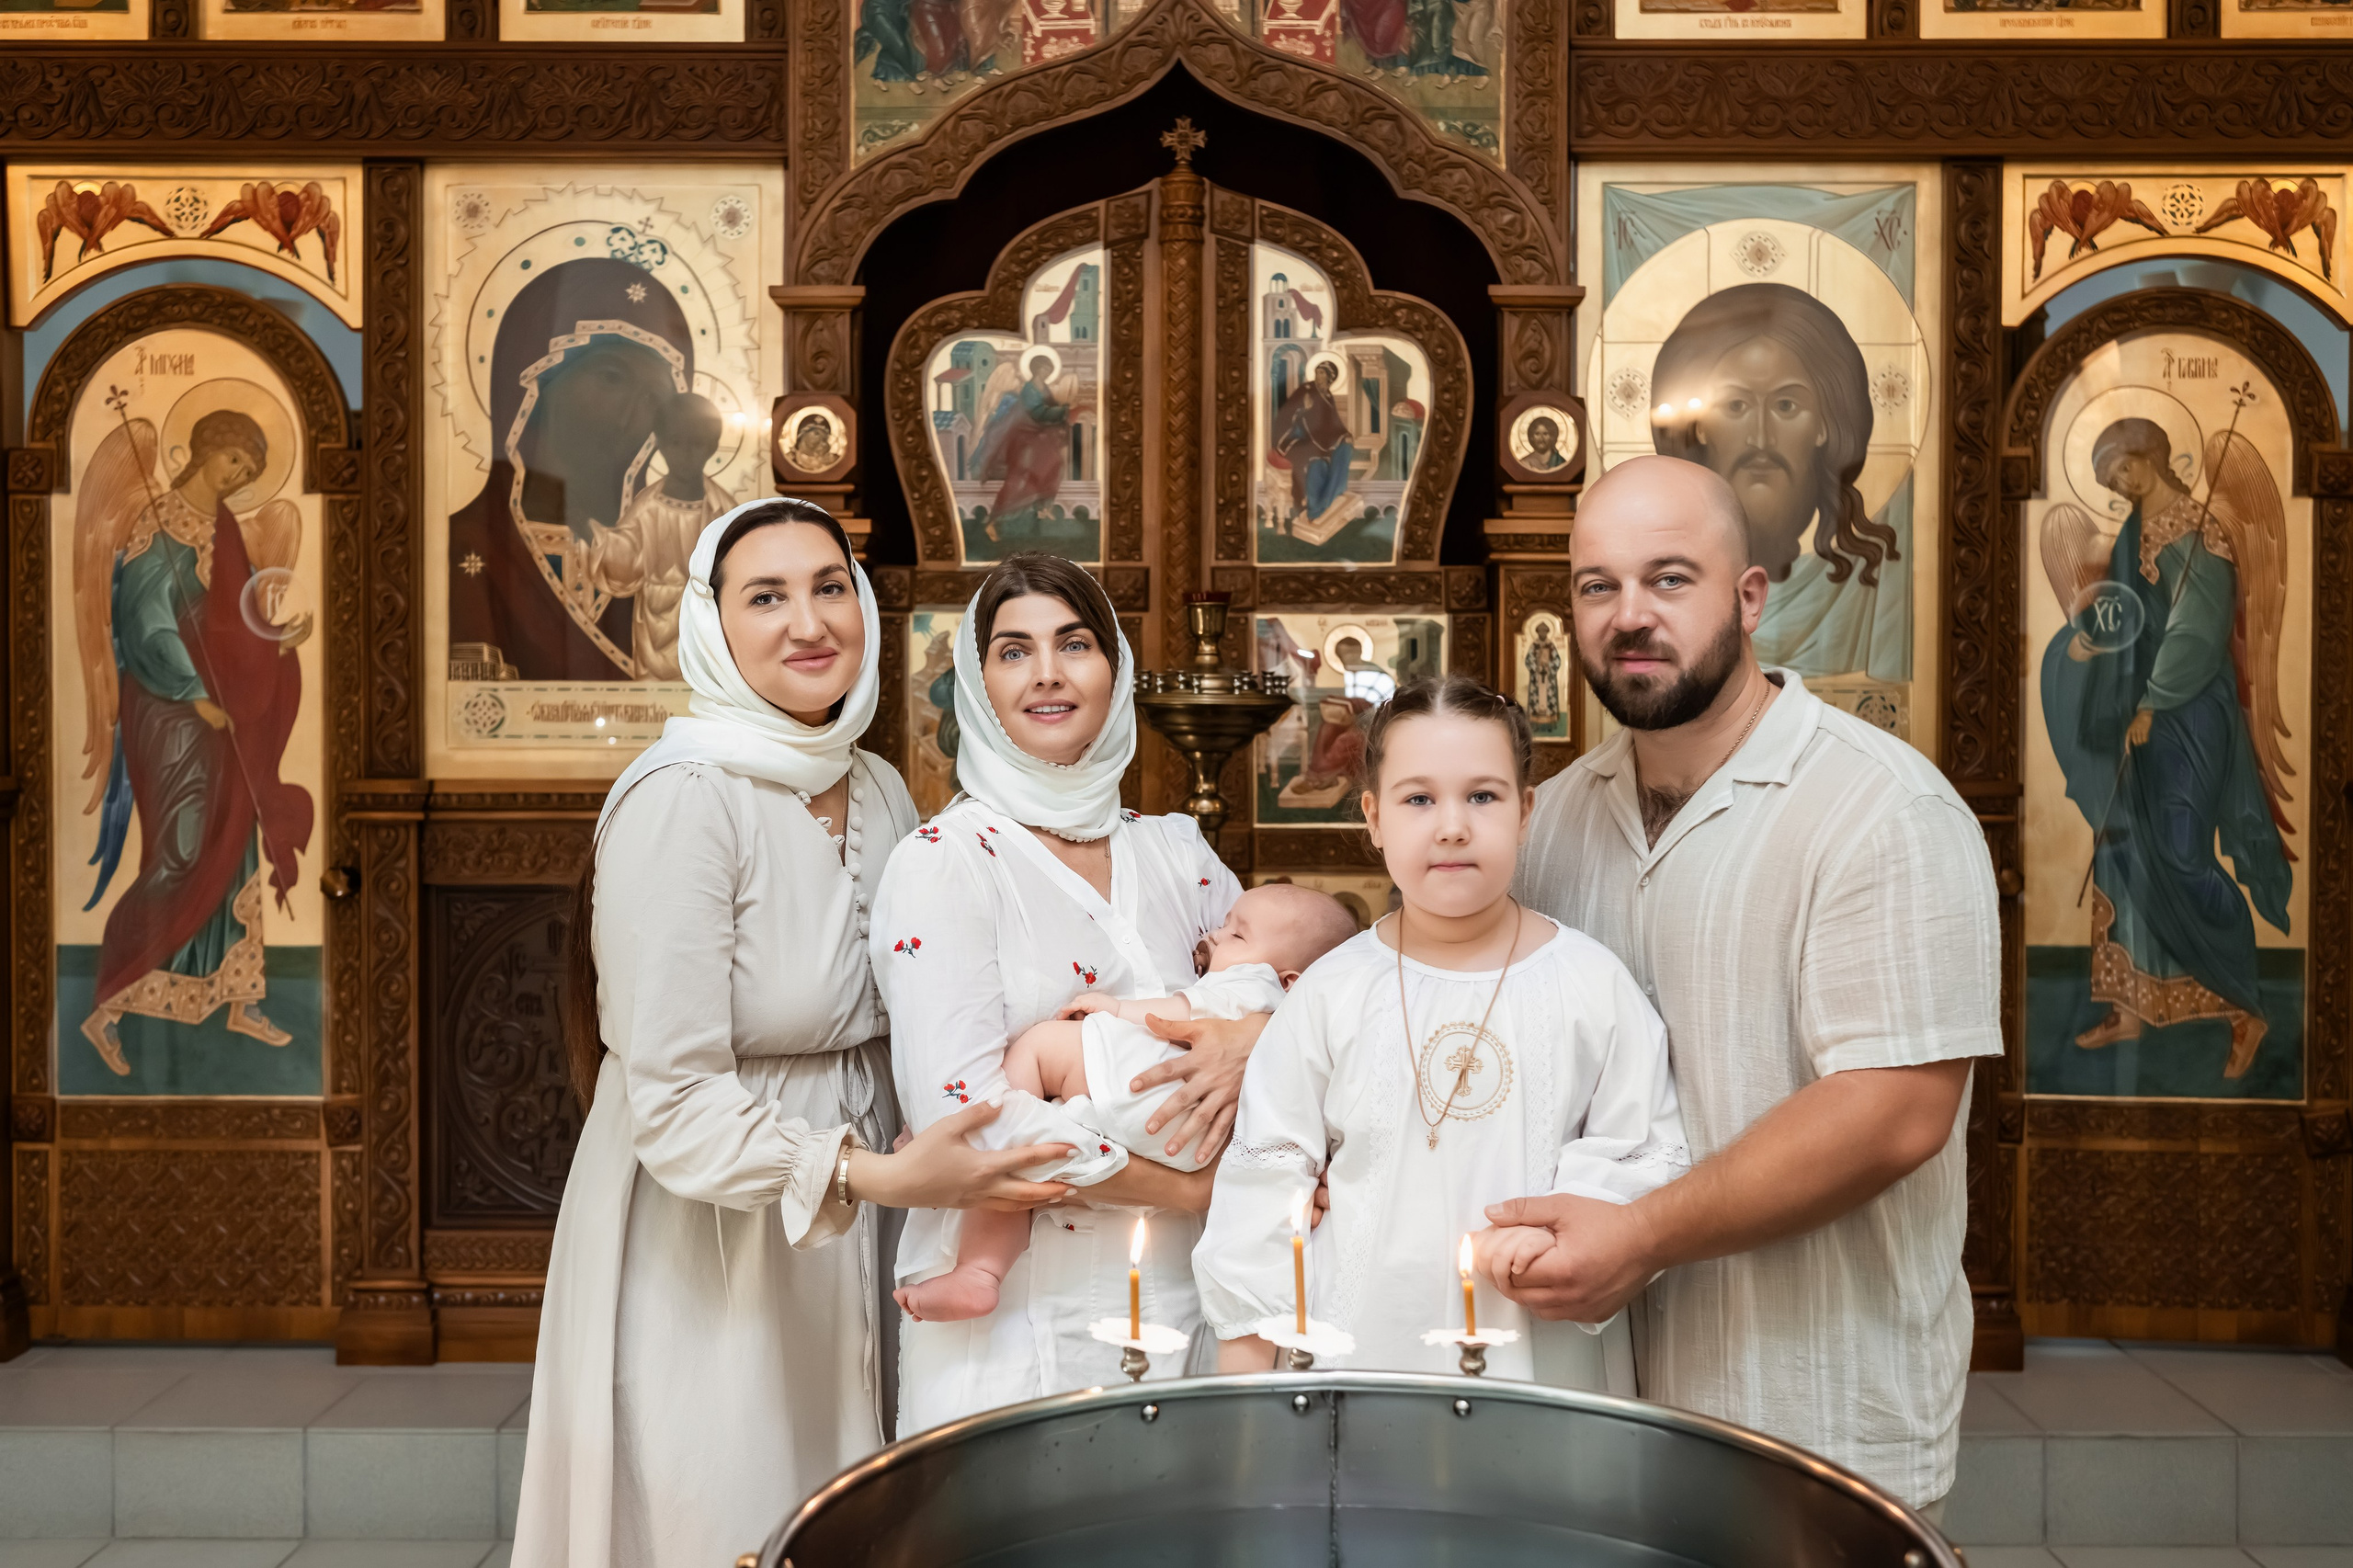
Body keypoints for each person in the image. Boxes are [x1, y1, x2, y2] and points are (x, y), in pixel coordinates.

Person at [516, 500, 1078, 1568]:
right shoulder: (684, 797)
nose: (807, 621)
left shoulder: (873, 784)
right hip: (716, 1235)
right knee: (725, 1508)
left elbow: (937, 996)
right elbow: (671, 1098)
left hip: (865, 1203)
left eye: (829, 587)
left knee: (855, 1513)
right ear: (711, 626)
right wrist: (875, 1176)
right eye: (764, 596)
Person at [1496, 455, 1999, 1516]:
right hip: (1602, 1398)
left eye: (1669, 579)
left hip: (1812, 1408)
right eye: (1597, 586)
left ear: (1750, 595)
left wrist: (1636, 1236)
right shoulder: (1553, 820)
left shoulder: (1881, 810)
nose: (1629, 615)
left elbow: (1896, 1110)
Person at [1196, 675, 1688, 1386]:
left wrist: (1560, 1227)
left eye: (1482, 797)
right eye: (1419, 799)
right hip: (1352, 1354)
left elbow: (1644, 1151)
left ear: (1525, 812)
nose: (1452, 825)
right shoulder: (1334, 990)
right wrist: (1240, 1402)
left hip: (1537, 1358)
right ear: (1372, 817)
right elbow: (1261, 1186)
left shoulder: (1590, 983)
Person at [871, 551, 1264, 1433]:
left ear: (1115, 669)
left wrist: (1253, 1049)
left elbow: (1274, 1011)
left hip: (1191, 1293)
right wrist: (1194, 1189)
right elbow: (966, 1117)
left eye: (1075, 643)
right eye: (1013, 651)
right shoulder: (945, 864)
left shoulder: (1177, 853)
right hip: (1016, 1308)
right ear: (976, 684)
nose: (1047, 673)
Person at [899, 882, 1357, 1323]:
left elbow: (1174, 1014)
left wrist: (1115, 1010)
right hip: (1198, 1134)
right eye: (1224, 924)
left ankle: (978, 1251)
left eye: (1236, 934)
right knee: (1039, 1145)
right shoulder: (1297, 1021)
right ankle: (984, 1259)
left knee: (1038, 1050)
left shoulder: (1257, 984)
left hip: (1148, 1086)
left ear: (1290, 979)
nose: (1215, 935)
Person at [2040, 416, 2291, 1079]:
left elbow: (2197, 630)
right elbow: (2126, 612)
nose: (2121, 483)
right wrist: (2086, 643)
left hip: (2187, 716)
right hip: (2137, 713)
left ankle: (2246, 1007)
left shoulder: (2201, 530)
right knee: (2126, 852)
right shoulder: (2133, 534)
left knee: (2181, 856)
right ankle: (2131, 1005)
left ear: (2150, 453)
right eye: (2109, 479)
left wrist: (2154, 701)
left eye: (2124, 467)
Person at [78, 407, 314, 1070]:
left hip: (223, 711)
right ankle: (110, 1003)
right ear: (203, 450)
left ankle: (237, 999)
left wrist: (276, 642)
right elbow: (144, 624)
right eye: (231, 458)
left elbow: (233, 627)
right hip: (170, 712)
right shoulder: (157, 526)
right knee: (179, 854)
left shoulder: (225, 530)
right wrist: (192, 693)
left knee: (233, 843)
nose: (236, 474)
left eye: (248, 468)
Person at [1646, 281, 1909, 682]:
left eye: (1787, 405)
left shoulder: (1873, 593)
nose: (1762, 439)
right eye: (1736, 406)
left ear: (1825, 424)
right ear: (1698, 427)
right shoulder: (1654, 588)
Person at [586, 392, 736, 682]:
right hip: (654, 626)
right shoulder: (647, 506)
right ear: (661, 446)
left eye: (696, 444)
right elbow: (625, 561)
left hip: (707, 620)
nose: (686, 453)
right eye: (676, 443)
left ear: (712, 448)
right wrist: (606, 543)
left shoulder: (723, 507)